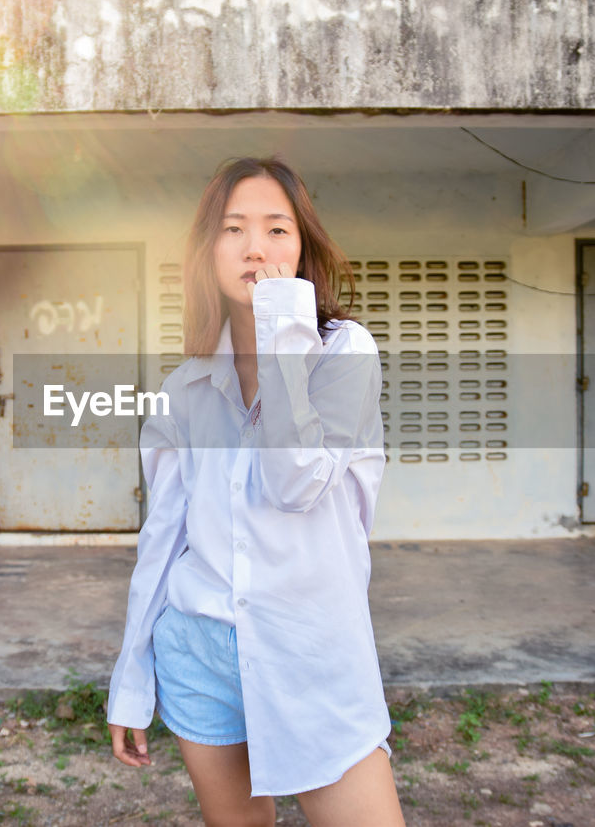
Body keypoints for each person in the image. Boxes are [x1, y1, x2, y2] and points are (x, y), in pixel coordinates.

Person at [106, 156, 404, 827]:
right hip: (199, 650)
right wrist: (131, 676)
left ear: (303, 249)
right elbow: (164, 534)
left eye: (277, 229)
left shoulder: (344, 353)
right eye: (233, 229)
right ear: (208, 249)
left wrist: (280, 326)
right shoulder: (187, 386)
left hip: (311, 647)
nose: (255, 248)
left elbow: (295, 481)